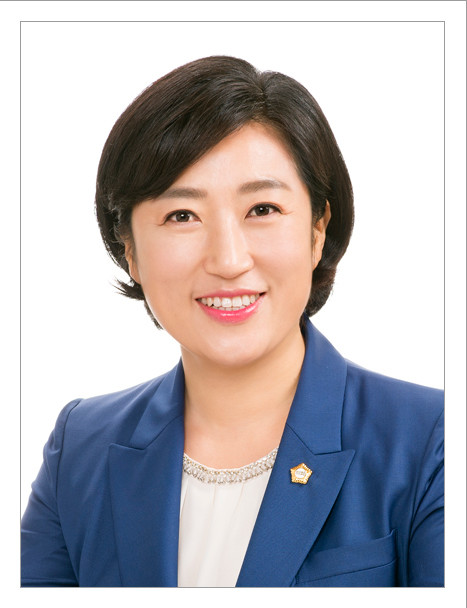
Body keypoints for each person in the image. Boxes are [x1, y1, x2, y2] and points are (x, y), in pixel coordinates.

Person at [21, 56, 444, 587]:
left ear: (317, 230)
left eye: (262, 209)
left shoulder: (432, 439)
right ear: (130, 250)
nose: (228, 259)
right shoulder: (80, 447)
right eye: (182, 216)